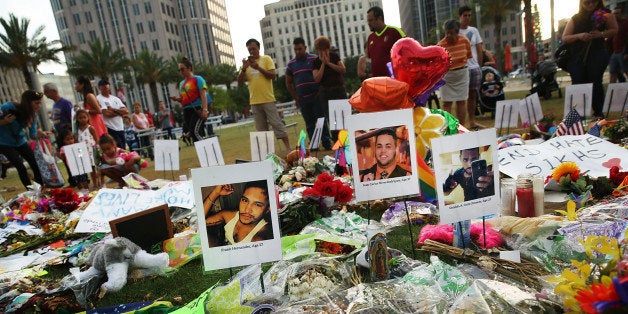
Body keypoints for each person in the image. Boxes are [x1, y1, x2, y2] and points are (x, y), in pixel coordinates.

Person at [562, 0, 617, 118]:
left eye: (593, 2)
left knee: (595, 80)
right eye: (587, 3)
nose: (590, 5)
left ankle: (598, 113)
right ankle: (578, 115)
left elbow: (614, 29)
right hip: (578, 55)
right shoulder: (576, 18)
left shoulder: (605, 14)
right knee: (578, 82)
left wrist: (601, 34)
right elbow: (565, 37)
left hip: (597, 52)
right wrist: (579, 36)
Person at [237, 39, 290, 151]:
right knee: (261, 130)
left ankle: (288, 148)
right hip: (254, 101)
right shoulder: (246, 65)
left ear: (258, 48)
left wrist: (258, 68)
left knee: (277, 124)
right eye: (249, 49)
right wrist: (243, 69)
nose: (252, 51)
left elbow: (272, 75)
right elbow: (240, 82)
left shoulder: (266, 59)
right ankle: (267, 153)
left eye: (253, 49)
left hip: (267, 99)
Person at [285, 38, 332, 150]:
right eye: (295, 49)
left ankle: (326, 143)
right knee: (310, 123)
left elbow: (322, 75)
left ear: (305, 48)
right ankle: (314, 145)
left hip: (317, 97)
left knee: (321, 121)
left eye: (300, 49)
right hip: (303, 99)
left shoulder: (314, 59)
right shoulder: (291, 64)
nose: (297, 51)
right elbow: (288, 83)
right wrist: (296, 97)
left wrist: (320, 91)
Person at [203, 181, 273, 245]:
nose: (247, 210)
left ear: (267, 209)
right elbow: (201, 222)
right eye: (245, 200)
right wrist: (215, 193)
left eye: (257, 204)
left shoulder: (260, 238)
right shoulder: (229, 216)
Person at [0, 90, 45, 189]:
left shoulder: (33, 115)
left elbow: (33, 135)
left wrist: (40, 134)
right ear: (28, 102)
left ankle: (41, 188)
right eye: (36, 103)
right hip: (4, 142)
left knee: (35, 163)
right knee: (20, 166)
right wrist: (4, 121)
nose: (38, 106)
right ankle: (30, 190)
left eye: (40, 103)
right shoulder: (8, 107)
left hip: (20, 141)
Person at [438, 19, 473, 127]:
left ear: (457, 32)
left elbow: (468, 56)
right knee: (446, 103)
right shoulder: (440, 45)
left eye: (451, 33)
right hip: (447, 76)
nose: (448, 35)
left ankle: (461, 127)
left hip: (461, 74)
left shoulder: (465, 41)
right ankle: (449, 127)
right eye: (446, 33)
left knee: (461, 101)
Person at [169, 56, 212, 142]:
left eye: (182, 69)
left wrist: (205, 109)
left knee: (195, 132)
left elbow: (203, 95)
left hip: (197, 109)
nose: (180, 72)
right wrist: (177, 99)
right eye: (179, 70)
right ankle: (202, 152)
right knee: (194, 133)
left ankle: (207, 149)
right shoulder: (182, 83)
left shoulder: (198, 79)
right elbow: (184, 99)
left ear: (189, 68)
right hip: (186, 111)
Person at [313, 36, 346, 143]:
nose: (323, 52)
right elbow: (317, 78)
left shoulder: (334, 56)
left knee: (343, 116)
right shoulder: (316, 62)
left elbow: (342, 69)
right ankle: (336, 140)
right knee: (332, 119)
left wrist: (329, 63)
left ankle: (346, 138)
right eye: (320, 50)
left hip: (338, 90)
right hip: (326, 92)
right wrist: (323, 63)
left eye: (325, 49)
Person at [459, 5, 485, 130]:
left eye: (469, 15)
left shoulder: (474, 31)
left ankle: (472, 121)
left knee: (473, 96)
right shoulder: (455, 31)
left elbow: (479, 49)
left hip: (474, 68)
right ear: (460, 17)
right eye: (465, 15)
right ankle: (462, 125)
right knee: (462, 98)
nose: (467, 18)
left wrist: (479, 66)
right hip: (462, 69)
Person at [366, 6, 405, 77]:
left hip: (394, 80)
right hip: (377, 82)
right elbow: (369, 59)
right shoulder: (370, 38)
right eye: (368, 21)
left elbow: (408, 51)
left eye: (371, 20)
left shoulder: (395, 32)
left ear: (380, 18)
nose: (368, 23)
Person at [97, 79, 129, 149]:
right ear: (99, 88)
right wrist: (119, 112)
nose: (106, 88)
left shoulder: (115, 99)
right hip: (110, 128)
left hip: (120, 127)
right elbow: (106, 113)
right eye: (103, 86)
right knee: (117, 148)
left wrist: (113, 109)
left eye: (107, 86)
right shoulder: (99, 99)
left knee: (123, 148)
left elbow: (126, 111)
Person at [75, 109, 100, 189]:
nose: (82, 119)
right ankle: (85, 184)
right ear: (77, 119)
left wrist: (97, 148)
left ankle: (95, 183)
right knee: (84, 168)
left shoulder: (90, 128)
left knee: (92, 168)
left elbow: (96, 139)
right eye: (80, 118)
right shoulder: (76, 130)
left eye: (84, 117)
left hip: (90, 150)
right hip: (81, 151)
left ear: (88, 118)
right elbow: (76, 140)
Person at [608, 7, 628, 83]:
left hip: (623, 51)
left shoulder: (626, 23)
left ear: (621, 14)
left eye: (617, 13)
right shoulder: (613, 25)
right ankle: (611, 92)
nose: (615, 15)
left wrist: (627, 52)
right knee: (612, 72)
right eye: (614, 14)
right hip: (615, 52)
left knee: (626, 70)